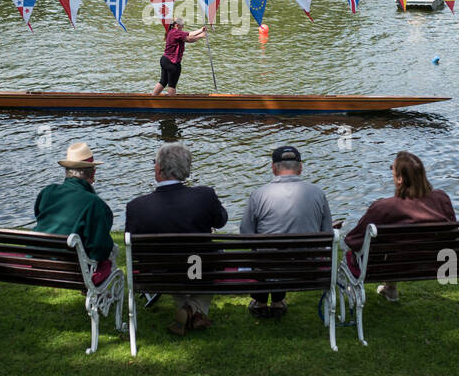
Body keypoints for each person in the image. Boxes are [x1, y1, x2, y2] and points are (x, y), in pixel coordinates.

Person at [125, 143, 228, 334]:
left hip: (159, 274)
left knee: (181, 264)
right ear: (186, 169)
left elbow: (133, 245)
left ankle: (188, 311)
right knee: (209, 258)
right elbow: (221, 221)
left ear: (158, 170)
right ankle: (193, 310)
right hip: (197, 270)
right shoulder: (204, 195)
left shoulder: (136, 206)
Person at [343, 151, 455, 302]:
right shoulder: (442, 198)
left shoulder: (383, 207)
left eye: (392, 169)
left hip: (388, 265)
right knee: (394, 248)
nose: (392, 173)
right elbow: (452, 232)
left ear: (400, 179)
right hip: (434, 262)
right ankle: (390, 289)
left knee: (355, 251)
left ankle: (386, 288)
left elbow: (353, 240)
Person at [240, 146, 332, 319]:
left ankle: (261, 301)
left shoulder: (258, 195)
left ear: (273, 168)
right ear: (301, 167)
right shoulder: (319, 194)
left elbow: (246, 233)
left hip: (268, 267)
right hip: (306, 267)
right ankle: (277, 301)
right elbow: (327, 232)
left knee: (262, 252)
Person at [34, 142, 116, 284]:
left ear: (67, 171)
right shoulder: (95, 204)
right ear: (93, 173)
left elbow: (40, 218)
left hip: (38, 260)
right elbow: (99, 250)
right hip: (73, 269)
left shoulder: (47, 192)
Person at [152, 16, 209, 95]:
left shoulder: (172, 33)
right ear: (177, 25)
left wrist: (200, 36)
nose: (183, 26)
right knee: (172, 85)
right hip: (172, 62)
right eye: (182, 25)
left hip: (165, 60)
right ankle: (173, 105)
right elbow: (190, 34)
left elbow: (189, 39)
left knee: (163, 82)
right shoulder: (175, 32)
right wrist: (201, 30)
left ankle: (153, 98)